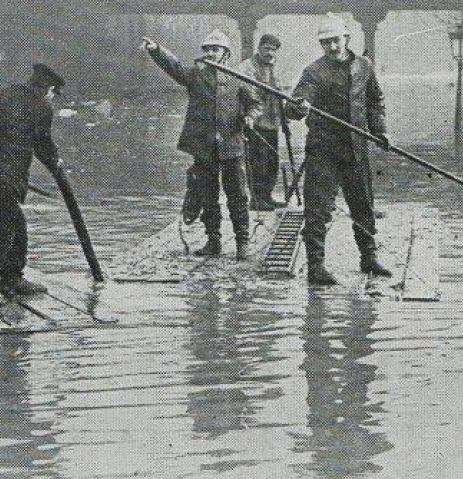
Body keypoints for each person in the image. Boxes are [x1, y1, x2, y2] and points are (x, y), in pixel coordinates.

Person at [289, 16, 394, 286]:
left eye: (336, 40)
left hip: (356, 148)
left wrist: (380, 130)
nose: (332, 47)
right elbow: (296, 104)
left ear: (346, 39)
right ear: (321, 45)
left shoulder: (364, 66)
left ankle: (368, 257)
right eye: (326, 43)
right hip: (323, 150)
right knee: (318, 210)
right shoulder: (313, 71)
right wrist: (299, 106)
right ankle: (316, 267)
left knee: (363, 206)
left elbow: (375, 101)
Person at [142, 29, 260, 260]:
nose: (210, 53)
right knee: (208, 194)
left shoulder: (238, 77)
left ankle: (242, 241)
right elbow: (173, 67)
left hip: (231, 146)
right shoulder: (196, 75)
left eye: (215, 49)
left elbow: (255, 103)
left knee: (237, 195)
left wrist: (250, 116)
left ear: (225, 53)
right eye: (207, 50)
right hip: (204, 146)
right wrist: (156, 50)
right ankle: (213, 240)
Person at [0, 63, 64, 304]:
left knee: (17, 223)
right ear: (48, 88)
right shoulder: (42, 107)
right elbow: (43, 145)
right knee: (2, 230)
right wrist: (56, 162)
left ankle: (12, 278)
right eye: (54, 93)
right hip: (0, 176)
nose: (52, 98)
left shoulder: (5, 94)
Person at [239, 32, 287, 211]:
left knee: (272, 161)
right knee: (257, 161)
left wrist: (284, 117)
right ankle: (256, 199)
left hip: (272, 121)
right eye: (266, 48)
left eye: (273, 50)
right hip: (255, 122)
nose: (270, 53)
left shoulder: (275, 66)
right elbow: (247, 92)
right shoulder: (248, 66)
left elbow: (281, 91)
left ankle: (267, 196)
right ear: (259, 48)